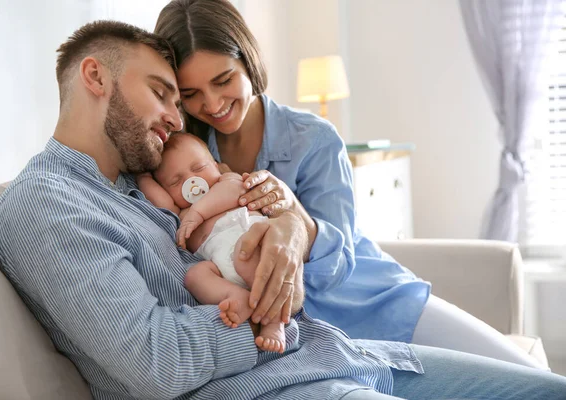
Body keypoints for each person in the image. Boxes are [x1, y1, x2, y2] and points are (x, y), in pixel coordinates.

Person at [0, 20, 566, 400]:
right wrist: (272, 320)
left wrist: (291, 224)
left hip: (337, 351)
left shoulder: (141, 187)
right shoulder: (47, 204)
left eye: (176, 97)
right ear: (96, 76)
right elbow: (154, 360)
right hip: (281, 382)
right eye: (164, 93)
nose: (177, 116)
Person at [154, 0, 545, 369]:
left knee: (527, 378)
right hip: (294, 339)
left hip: (372, 301)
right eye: (191, 94)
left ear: (248, 61)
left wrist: (296, 220)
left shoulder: (313, 138)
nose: (212, 103)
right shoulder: (180, 157)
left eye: (224, 80)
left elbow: (337, 263)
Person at [137, 132, 286, 353]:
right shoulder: (180, 213)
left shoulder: (226, 182)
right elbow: (159, 200)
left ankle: (274, 323)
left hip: (252, 242)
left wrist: (199, 211)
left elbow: (237, 191)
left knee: (245, 257)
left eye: (198, 169)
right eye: (176, 181)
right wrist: (142, 175)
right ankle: (235, 296)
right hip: (221, 266)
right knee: (194, 276)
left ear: (216, 165)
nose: (191, 181)